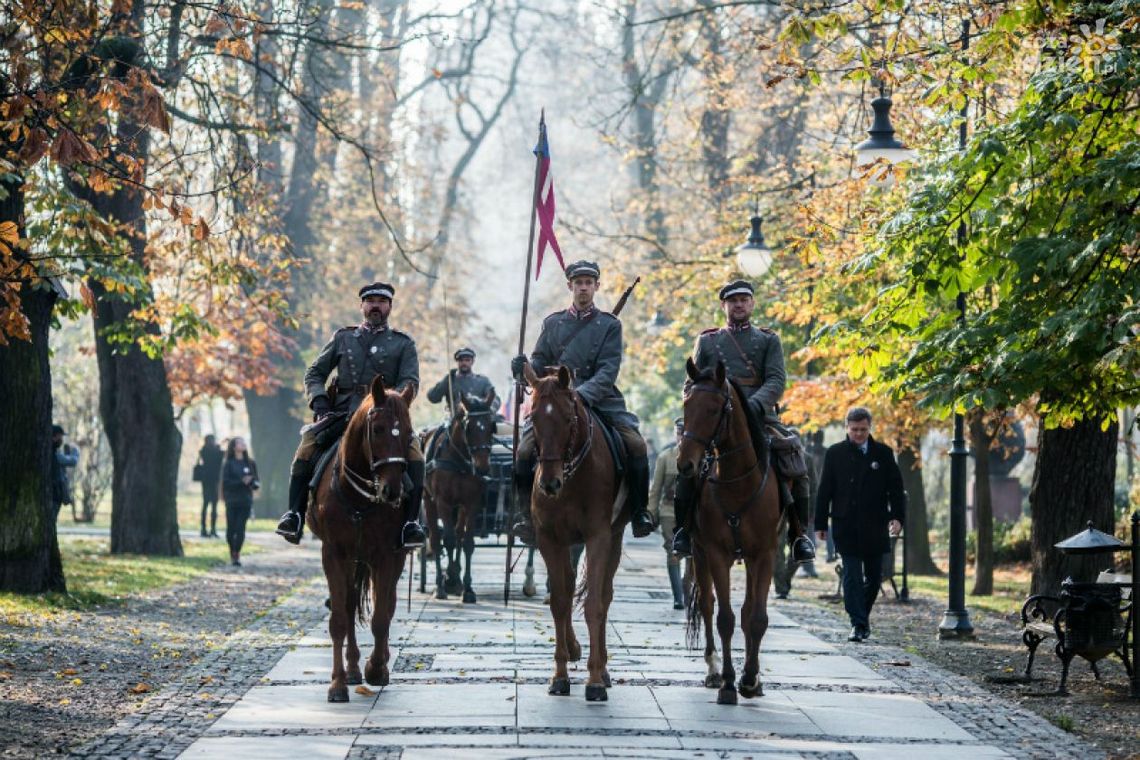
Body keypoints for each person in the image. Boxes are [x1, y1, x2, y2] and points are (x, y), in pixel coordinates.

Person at [510, 260, 655, 543]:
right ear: (570, 286)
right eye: (579, 283)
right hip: (555, 400)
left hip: (599, 398)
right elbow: (539, 362)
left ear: (597, 286)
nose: (584, 288)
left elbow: (608, 370)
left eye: (589, 283)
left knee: (636, 445)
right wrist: (523, 368)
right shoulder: (552, 323)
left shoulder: (610, 325)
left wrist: (579, 396)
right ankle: (524, 515)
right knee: (524, 450)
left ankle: (639, 511)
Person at [672, 280, 815, 565]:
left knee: (794, 458)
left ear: (752, 304)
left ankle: (799, 535)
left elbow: (776, 380)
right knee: (689, 464)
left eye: (743, 300)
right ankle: (683, 531)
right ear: (723, 306)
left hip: (759, 416)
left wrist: (751, 407)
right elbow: (691, 384)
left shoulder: (768, 340)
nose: (738, 305)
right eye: (733, 301)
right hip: (716, 419)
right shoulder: (707, 341)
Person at [275, 282, 426, 548]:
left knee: (415, 454)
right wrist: (320, 402)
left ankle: (410, 524)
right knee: (306, 446)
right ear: (362, 306)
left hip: (383, 417)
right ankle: (294, 515)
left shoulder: (403, 343)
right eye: (371, 301)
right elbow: (314, 373)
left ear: (390, 307)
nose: (376, 306)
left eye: (382, 301)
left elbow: (410, 381)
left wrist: (392, 403)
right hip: (342, 413)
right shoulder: (343, 338)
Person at [814, 406, 906, 642]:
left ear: (869, 428)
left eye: (863, 430)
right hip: (845, 525)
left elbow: (896, 489)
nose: (858, 434)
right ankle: (858, 623)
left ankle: (861, 616)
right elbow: (825, 490)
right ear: (847, 427)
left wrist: (897, 517)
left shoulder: (883, 453)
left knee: (874, 578)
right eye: (854, 429)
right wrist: (820, 523)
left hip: (875, 524)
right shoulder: (835, 453)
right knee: (852, 575)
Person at [649, 417, 685, 609]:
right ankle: (678, 597)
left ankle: (687, 590)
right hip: (669, 512)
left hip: (691, 513)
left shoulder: (702, 456)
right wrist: (651, 513)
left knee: (694, 555)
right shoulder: (665, 457)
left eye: (684, 434)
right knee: (673, 551)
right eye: (679, 434)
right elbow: (656, 489)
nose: (682, 438)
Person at [426, 347, 500, 416]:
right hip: (456, 420)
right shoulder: (451, 380)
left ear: (472, 361)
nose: (464, 363)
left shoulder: (482, 381)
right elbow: (433, 397)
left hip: (480, 418)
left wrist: (490, 408)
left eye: (467, 360)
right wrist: (447, 379)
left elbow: (495, 399)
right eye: (461, 360)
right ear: (457, 362)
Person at [222, 437, 259, 567]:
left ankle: (236, 554)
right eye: (240, 442)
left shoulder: (250, 463)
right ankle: (232, 550)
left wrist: (252, 483)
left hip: (245, 501)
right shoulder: (229, 463)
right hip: (232, 501)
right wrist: (241, 482)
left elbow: (256, 483)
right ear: (233, 447)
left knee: (240, 528)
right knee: (230, 530)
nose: (243, 444)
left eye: (244, 442)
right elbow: (226, 483)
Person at [196, 435, 224, 538]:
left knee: (208, 505)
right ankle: (210, 529)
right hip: (212, 482)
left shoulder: (203, 451)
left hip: (208, 482)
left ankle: (207, 529)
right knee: (210, 505)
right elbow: (218, 456)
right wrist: (220, 445)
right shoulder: (210, 452)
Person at [51, 424, 80, 521]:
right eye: (60, 436)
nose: (61, 439)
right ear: (54, 437)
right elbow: (72, 461)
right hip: (55, 495)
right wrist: (76, 451)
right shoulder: (54, 454)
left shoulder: (51, 452)